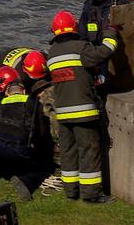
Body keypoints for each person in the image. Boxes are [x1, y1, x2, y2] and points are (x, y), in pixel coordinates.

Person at [47, 10, 118, 203]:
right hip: (83, 111)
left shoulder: (51, 54)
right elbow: (105, 52)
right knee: (89, 150)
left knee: (68, 152)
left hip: (62, 113)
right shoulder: (80, 47)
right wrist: (110, 32)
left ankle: (71, 192)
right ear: (74, 27)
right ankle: (91, 194)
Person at [0, 66, 55, 201]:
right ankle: (26, 182)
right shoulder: (33, 104)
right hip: (19, 150)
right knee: (40, 170)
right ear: (23, 91)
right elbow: (43, 134)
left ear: (7, 93)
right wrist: (47, 159)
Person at [78, 0, 130, 88]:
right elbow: (82, 33)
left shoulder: (122, 0)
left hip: (121, 52)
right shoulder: (89, 5)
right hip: (99, 54)